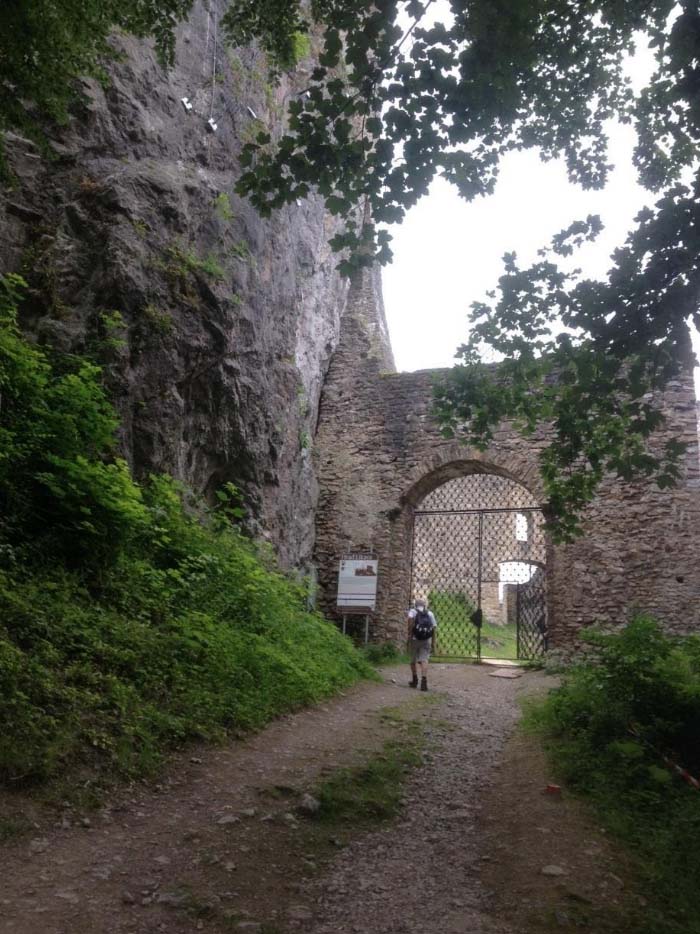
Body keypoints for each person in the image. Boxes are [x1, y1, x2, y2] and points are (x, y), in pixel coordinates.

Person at [407, 599, 437, 691]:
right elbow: (434, 629)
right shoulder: (430, 613)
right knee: (424, 660)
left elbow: (410, 622)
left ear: (415, 605)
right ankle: (424, 681)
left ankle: (415, 680)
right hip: (426, 639)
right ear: (424, 605)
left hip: (415, 639)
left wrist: (409, 635)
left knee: (413, 660)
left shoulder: (412, 612)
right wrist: (433, 643)